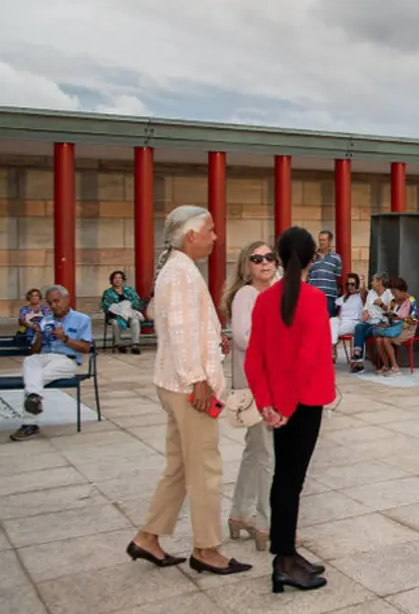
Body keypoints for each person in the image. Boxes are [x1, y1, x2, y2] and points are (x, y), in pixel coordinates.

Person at [128, 205, 251, 577]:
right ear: (191, 236)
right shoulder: (180, 272)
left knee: (180, 468)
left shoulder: (176, 270)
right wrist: (199, 379)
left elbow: (182, 326)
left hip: (174, 383)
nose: (216, 237)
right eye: (211, 231)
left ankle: (147, 538)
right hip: (188, 388)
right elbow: (180, 332)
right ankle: (206, 548)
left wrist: (212, 347)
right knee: (205, 469)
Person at [246, 226, 336, 593]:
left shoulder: (264, 300)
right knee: (290, 481)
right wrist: (283, 406)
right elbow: (307, 358)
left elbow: (255, 358)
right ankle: (283, 560)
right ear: (313, 257)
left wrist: (268, 403)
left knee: (285, 479)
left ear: (279, 258)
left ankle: (286, 553)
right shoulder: (314, 299)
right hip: (304, 401)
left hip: (280, 404)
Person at [220, 241, 278, 551]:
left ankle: (239, 514)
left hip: (271, 381)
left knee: (256, 450)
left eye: (270, 257)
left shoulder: (273, 292)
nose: (265, 263)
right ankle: (264, 521)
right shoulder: (246, 294)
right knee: (266, 451)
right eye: (257, 259)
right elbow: (243, 338)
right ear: (247, 265)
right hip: (256, 383)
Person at [8, 285, 93, 442]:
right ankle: (34, 397)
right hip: (44, 357)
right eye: (50, 303)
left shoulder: (82, 319)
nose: (53, 306)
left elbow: (86, 348)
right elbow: (34, 351)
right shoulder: (45, 320)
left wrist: (65, 338)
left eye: (56, 301)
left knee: (33, 380)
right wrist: (39, 336)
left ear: (67, 300)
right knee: (30, 361)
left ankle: (30, 423)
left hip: (66, 360)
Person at [371, 278, 418, 375]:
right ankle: (386, 366)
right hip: (394, 328)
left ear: (401, 290)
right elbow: (390, 314)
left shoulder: (411, 301)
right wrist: (388, 317)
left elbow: (414, 320)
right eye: (392, 292)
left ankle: (395, 367)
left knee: (386, 340)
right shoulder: (393, 301)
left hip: (407, 329)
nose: (393, 295)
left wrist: (401, 319)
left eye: (394, 292)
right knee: (379, 339)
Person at [349, 274, 393, 371]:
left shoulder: (389, 294)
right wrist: (365, 313)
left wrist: (382, 305)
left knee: (361, 332)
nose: (371, 282)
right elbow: (366, 307)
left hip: (381, 324)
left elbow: (392, 312)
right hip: (369, 322)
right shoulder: (371, 293)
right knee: (359, 327)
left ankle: (359, 362)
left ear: (379, 282)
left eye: (373, 280)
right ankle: (357, 354)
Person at [101, 270, 146, 354]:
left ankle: (135, 345)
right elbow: (105, 306)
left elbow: (136, 302)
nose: (117, 280)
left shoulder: (129, 290)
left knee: (135, 321)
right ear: (112, 280)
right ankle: (118, 344)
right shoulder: (108, 292)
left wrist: (129, 305)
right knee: (115, 322)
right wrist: (118, 308)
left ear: (123, 280)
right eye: (115, 278)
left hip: (129, 314)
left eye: (120, 278)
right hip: (115, 315)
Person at [329, 273, 365, 360]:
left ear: (357, 284)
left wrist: (362, 280)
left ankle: (332, 349)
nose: (350, 286)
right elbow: (338, 310)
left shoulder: (361, 296)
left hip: (354, 323)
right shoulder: (344, 297)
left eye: (353, 284)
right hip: (342, 322)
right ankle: (333, 347)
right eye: (348, 284)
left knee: (329, 331)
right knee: (333, 320)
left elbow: (362, 288)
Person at [307, 230, 342, 317]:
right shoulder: (311, 256)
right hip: (313, 295)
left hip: (329, 295)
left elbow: (337, 277)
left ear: (330, 241)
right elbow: (306, 273)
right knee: (313, 320)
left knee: (328, 321)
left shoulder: (336, 258)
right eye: (320, 240)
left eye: (324, 240)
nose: (321, 242)